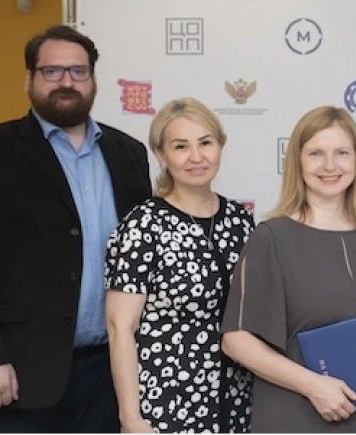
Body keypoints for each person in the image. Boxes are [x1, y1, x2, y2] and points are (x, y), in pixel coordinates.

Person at [0, 25, 152, 432]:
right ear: (29, 79)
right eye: (52, 71)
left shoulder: (129, 154)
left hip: (112, 375)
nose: (66, 81)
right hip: (19, 375)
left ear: (93, 79)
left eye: (78, 71)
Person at [221, 106, 356, 432]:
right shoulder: (272, 237)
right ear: (297, 162)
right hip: (293, 417)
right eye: (316, 153)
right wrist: (313, 386)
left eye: (342, 153)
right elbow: (236, 340)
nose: (330, 165)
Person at [105, 97, 254, 433]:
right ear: (162, 156)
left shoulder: (240, 220)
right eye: (181, 146)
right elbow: (120, 328)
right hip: (166, 403)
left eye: (205, 143)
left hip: (236, 400)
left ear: (220, 146)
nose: (196, 157)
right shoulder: (143, 225)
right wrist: (131, 417)